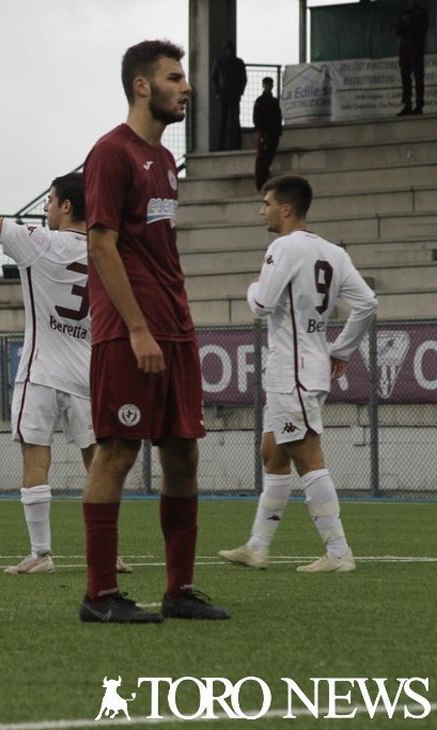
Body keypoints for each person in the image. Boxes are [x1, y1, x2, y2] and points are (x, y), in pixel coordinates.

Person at [80, 39, 230, 623]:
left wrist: (169, 324)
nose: (186, 87)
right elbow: (101, 244)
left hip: (175, 327)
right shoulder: (111, 152)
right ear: (141, 86)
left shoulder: (166, 159)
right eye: (173, 77)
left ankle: (179, 590)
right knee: (117, 451)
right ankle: (99, 596)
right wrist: (138, 328)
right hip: (129, 330)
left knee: (183, 453)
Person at [0, 124, 132, 576]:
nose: (46, 208)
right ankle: (108, 552)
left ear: (67, 206)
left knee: (36, 457)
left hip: (42, 371)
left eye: (51, 200)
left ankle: (40, 554)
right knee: (99, 463)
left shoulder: (40, 243)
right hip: (88, 374)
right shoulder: (106, 252)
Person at [219, 175, 377, 573]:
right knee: (272, 454)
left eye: (267, 203)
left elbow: (261, 304)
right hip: (304, 366)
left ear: (286, 209)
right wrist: (340, 349)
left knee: (307, 457)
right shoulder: (334, 253)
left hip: (293, 372)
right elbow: (367, 303)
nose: (263, 210)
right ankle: (257, 547)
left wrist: (252, 287)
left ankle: (338, 552)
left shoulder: (284, 247)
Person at [211, 41, 247, 151]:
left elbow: (243, 79)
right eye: (228, 49)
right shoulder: (219, 62)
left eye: (231, 49)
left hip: (234, 95)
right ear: (225, 50)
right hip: (223, 96)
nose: (230, 51)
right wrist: (218, 92)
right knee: (223, 121)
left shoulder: (238, 62)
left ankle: (236, 145)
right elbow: (214, 78)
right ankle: (221, 146)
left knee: (235, 121)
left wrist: (240, 92)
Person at [396, 0, 429, 116]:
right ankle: (407, 105)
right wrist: (403, 24)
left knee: (418, 77)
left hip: (417, 49)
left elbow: (422, 29)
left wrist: (410, 22)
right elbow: (398, 31)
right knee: (405, 77)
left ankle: (419, 105)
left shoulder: (422, 12)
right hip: (405, 50)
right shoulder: (403, 13)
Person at [253, 77, 283, 190]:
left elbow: (278, 117)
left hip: (273, 134)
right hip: (265, 134)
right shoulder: (260, 101)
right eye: (266, 85)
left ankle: (264, 180)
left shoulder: (274, 102)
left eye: (269, 85)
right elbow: (256, 119)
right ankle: (260, 183)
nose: (268, 87)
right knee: (262, 159)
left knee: (268, 158)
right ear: (263, 85)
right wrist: (262, 132)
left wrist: (278, 132)